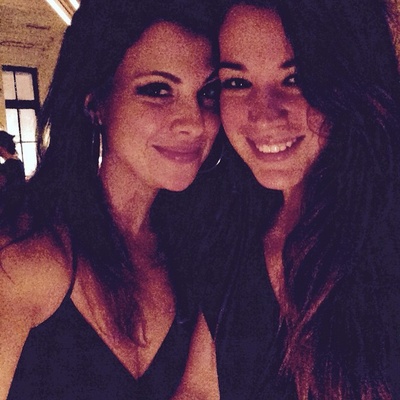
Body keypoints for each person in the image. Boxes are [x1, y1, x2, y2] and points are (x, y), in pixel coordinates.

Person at [0, 0, 221, 398]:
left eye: (207, 93)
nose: (194, 122)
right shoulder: (25, 261)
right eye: (158, 90)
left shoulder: (202, 249)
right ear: (95, 103)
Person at [198, 0, 400, 398]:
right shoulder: (232, 229)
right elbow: (200, 389)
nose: (264, 115)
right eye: (236, 82)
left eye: (295, 78)